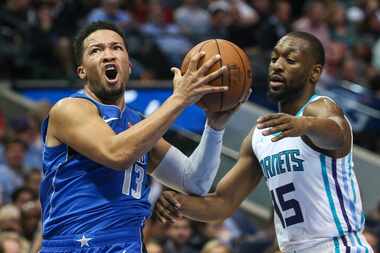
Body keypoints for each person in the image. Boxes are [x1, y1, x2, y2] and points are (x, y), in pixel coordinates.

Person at [156, 31, 374, 253]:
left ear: (314, 72)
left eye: (290, 60)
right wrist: (179, 203)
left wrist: (305, 125)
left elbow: (338, 133)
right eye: (274, 58)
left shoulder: (320, 108)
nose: (277, 66)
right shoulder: (259, 135)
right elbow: (222, 203)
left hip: (339, 247)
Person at [39, 21, 243, 253]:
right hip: (75, 245)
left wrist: (214, 127)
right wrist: (180, 99)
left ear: (129, 65)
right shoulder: (69, 108)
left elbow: (194, 181)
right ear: (82, 71)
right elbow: (117, 153)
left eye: (116, 48)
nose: (108, 55)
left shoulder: (137, 125)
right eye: (96, 50)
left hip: (128, 245)